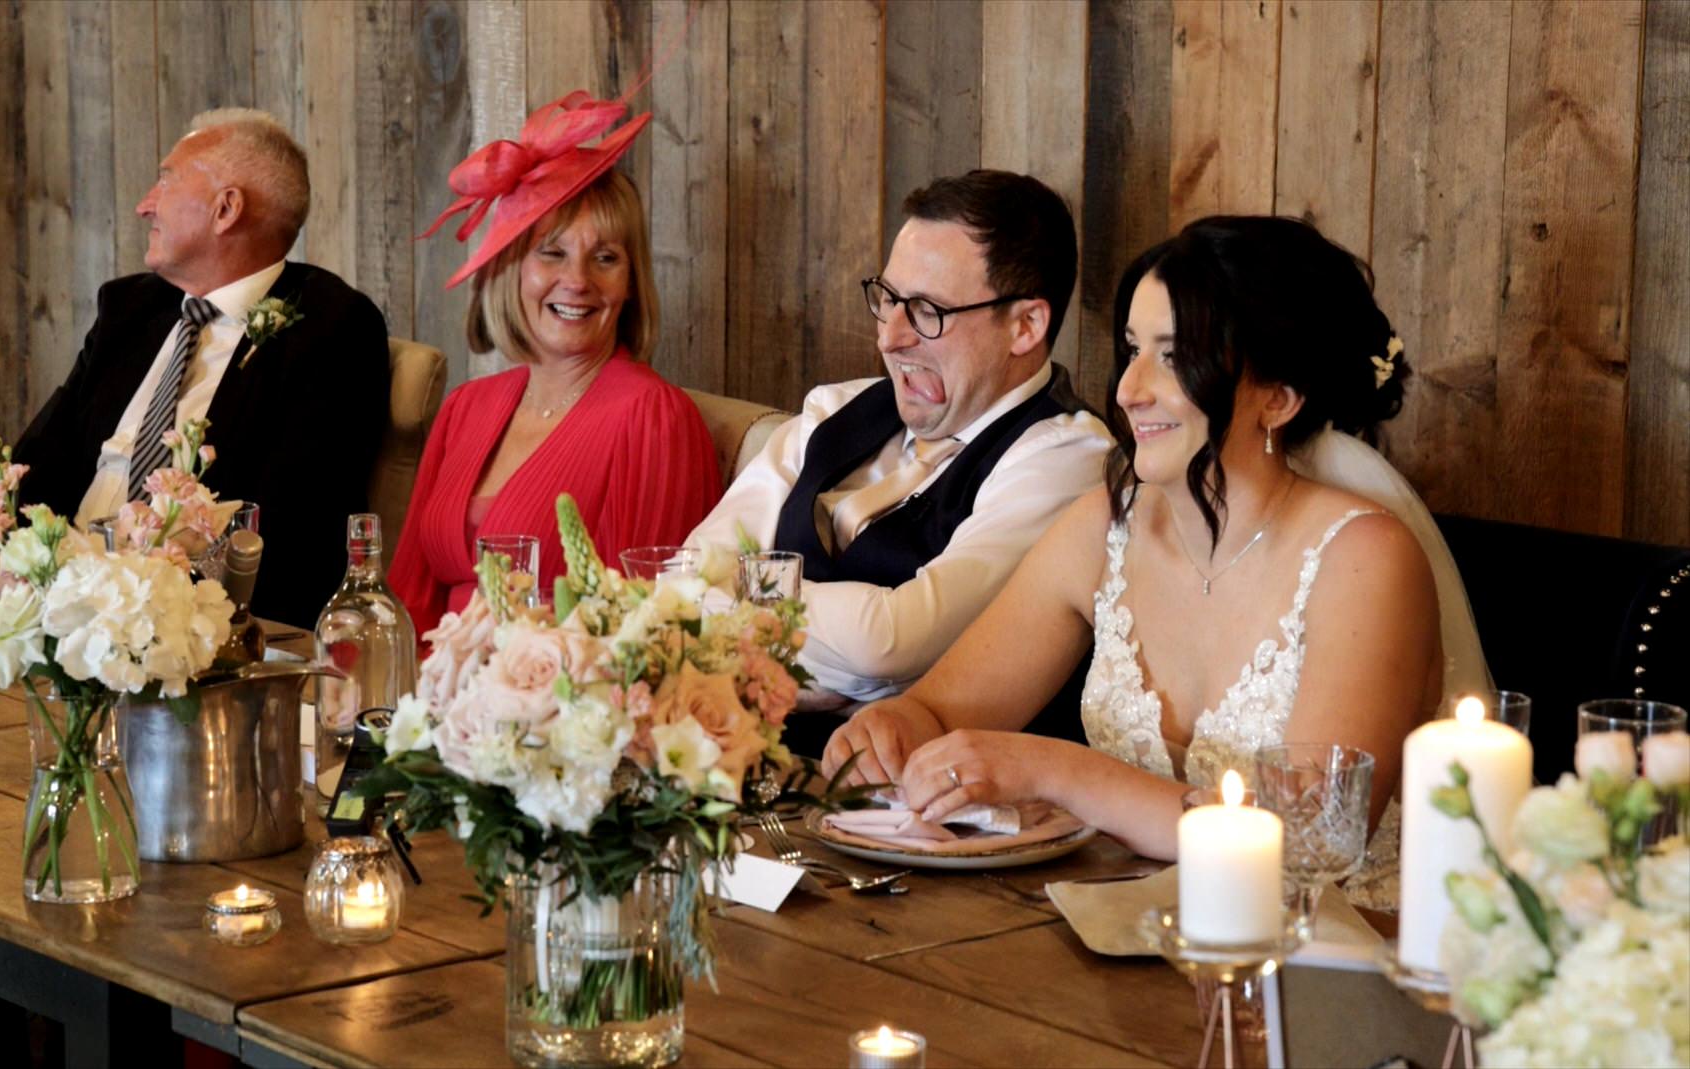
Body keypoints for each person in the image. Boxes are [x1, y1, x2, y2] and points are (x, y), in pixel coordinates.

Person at [823, 216, 1493, 910]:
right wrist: (892, 729)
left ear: (1279, 398)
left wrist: (1053, 769)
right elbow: (937, 708)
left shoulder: (1363, 560)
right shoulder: (1102, 530)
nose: (1128, 389)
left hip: (1334, 962)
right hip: (1135, 940)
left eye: (1173, 357)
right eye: (1133, 348)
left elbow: (1305, 841)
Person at [686, 170, 1112, 748]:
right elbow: (684, 579)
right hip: (747, 758)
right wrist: (831, 670)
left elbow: (889, 642)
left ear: (1025, 326)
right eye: (887, 300)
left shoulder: (1066, 457)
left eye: (927, 310)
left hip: (919, 802)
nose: (889, 337)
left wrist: (744, 619)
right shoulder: (833, 408)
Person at [12, 108, 390, 626]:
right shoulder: (128, 309)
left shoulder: (329, 325)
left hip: (189, 622)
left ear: (226, 209)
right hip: (56, 602)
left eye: (165, 181)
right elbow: (38, 462)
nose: (145, 205)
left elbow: (292, 526)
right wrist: (20, 563)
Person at [388, 90, 721, 632]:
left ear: (631, 284)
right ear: (511, 267)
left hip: (551, 708)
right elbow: (408, 599)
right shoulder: (466, 407)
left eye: (606, 258)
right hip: (429, 701)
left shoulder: (653, 419)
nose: (578, 281)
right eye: (552, 252)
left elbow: (633, 636)